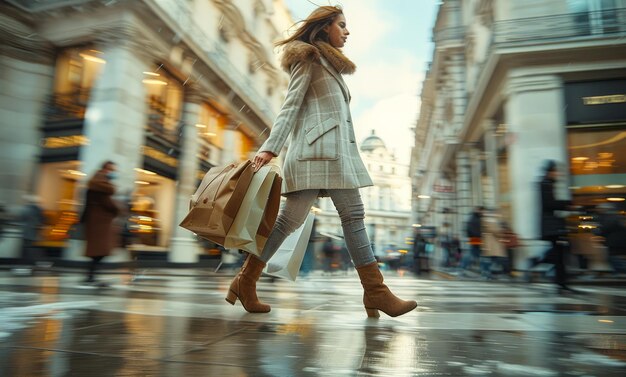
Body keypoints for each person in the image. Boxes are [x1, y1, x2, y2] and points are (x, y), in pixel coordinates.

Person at [225, 6, 416, 318]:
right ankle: (376, 292)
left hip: (331, 153)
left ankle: (245, 280)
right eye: (342, 25)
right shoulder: (309, 57)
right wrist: (270, 148)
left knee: (294, 221)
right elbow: (290, 105)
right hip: (316, 152)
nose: (347, 31)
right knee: (349, 216)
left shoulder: (330, 63)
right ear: (326, 26)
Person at [535, 160, 575, 293]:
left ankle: (560, 282)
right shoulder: (545, 185)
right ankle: (541, 261)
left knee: (559, 253)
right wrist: (566, 203)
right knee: (559, 252)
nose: (557, 173)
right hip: (551, 226)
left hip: (552, 225)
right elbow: (549, 204)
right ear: (549, 172)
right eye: (555, 171)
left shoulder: (548, 184)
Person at [82, 161, 120, 286]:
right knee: (99, 251)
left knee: (97, 252)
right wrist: (118, 210)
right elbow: (107, 203)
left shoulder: (96, 182)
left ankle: (90, 276)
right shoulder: (101, 185)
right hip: (100, 222)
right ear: (105, 169)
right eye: (112, 170)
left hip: (96, 221)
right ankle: (90, 276)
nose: (114, 173)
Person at [13, 195, 46, 275]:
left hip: (26, 232)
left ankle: (24, 265)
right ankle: (31, 265)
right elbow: (42, 220)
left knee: (25, 249)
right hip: (34, 232)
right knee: (31, 249)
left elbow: (21, 218)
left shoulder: (26, 209)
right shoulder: (39, 210)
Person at [595, 203, 626, 273]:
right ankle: (619, 272)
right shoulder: (615, 216)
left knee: (612, 256)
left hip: (614, 240)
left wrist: (598, 230)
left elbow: (605, 228)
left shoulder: (608, 217)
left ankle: (620, 271)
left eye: (600, 209)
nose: (598, 210)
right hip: (617, 240)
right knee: (615, 256)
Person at [459, 206, 484, 273]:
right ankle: (462, 268)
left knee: (477, 254)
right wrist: (475, 236)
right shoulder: (474, 218)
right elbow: (470, 229)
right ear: (478, 210)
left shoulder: (475, 217)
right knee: (472, 254)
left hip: (476, 238)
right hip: (475, 238)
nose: (482, 212)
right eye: (481, 210)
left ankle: (483, 270)